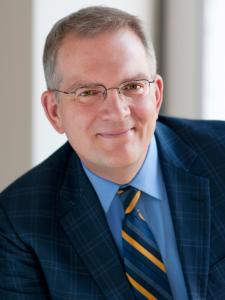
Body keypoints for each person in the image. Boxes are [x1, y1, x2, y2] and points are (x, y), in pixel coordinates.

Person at [0, 6, 225, 300]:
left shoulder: (219, 155)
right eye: (89, 92)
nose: (117, 112)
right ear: (54, 112)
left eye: (132, 86)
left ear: (156, 95)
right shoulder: (19, 222)